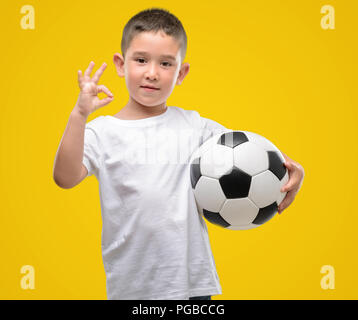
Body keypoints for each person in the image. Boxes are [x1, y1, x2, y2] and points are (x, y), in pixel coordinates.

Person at [53, 8, 304, 300]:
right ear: (121, 65)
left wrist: (291, 169)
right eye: (141, 60)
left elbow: (250, 153)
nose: (152, 72)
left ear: (181, 73)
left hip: (191, 285)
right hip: (131, 287)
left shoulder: (195, 126)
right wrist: (79, 114)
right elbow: (65, 177)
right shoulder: (103, 131)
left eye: (166, 63)